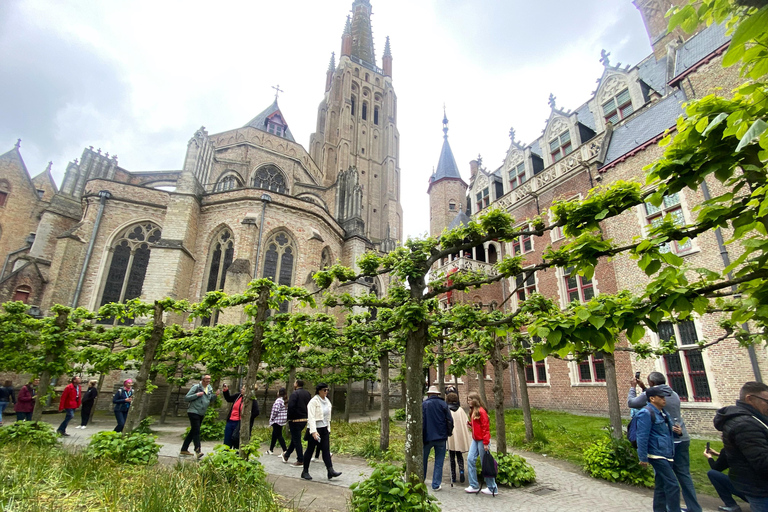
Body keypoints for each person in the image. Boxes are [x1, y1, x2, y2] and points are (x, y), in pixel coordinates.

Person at [628, 371, 701, 512]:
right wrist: (645, 388)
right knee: (683, 474)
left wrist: (633, 388)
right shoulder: (673, 394)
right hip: (681, 438)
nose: (663, 399)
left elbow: (632, 403)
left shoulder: (655, 399)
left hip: (664, 444)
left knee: (667, 480)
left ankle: (669, 508)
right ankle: (694, 508)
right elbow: (651, 396)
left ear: (652, 384)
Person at [714, 381, 768, 512]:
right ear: (750, 399)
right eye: (766, 401)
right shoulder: (745, 424)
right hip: (761, 490)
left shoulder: (754, 419)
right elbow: (762, 462)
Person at [636, 386, 680, 512]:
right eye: (661, 397)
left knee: (661, 486)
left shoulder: (663, 412)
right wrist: (643, 457)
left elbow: (665, 432)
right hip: (656, 454)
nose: (664, 399)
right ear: (652, 398)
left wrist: (678, 432)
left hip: (666, 452)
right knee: (673, 485)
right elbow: (642, 436)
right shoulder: (645, 413)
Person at [301, 383, 341, 481]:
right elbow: (311, 417)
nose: (326, 392)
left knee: (326, 450)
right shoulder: (313, 402)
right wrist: (313, 432)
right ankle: (305, 471)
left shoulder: (327, 401)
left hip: (324, 428)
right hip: (315, 429)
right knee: (310, 450)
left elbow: (328, 417)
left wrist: (328, 428)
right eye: (324, 390)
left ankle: (330, 470)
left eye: (327, 390)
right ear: (319, 391)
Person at [465, 391, 498, 496]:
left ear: (475, 400)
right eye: (468, 400)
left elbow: (485, 428)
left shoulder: (481, 412)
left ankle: (492, 487)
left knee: (486, 463)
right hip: (475, 439)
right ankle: (474, 485)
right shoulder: (473, 411)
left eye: (470, 400)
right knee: (470, 459)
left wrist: (486, 443)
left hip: (482, 441)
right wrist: (470, 425)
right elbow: (477, 425)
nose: (468, 402)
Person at [422, 385, 453, 491]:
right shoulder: (443, 404)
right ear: (437, 394)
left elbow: (422, 421)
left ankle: (421, 479)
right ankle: (436, 484)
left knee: (423, 459)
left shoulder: (424, 404)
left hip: (427, 437)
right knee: (439, 461)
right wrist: (448, 433)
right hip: (441, 437)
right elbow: (449, 420)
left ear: (429, 394)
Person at [180, 374, 218, 458]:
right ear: (203, 380)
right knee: (196, 430)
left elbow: (210, 399)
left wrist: (215, 396)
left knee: (193, 430)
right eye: (207, 379)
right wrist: (196, 395)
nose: (208, 380)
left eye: (209, 379)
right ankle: (198, 451)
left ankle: (184, 449)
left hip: (201, 412)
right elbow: (186, 398)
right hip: (193, 411)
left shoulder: (209, 388)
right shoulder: (196, 387)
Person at [704, 447, 748, 512]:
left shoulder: (729, 449)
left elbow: (716, 468)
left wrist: (709, 457)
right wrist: (718, 454)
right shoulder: (756, 449)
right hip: (762, 492)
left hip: (746, 492)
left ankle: (731, 505)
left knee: (712, 474)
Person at [281, 379, 311, 467]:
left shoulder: (295, 394)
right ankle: (287, 455)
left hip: (295, 419)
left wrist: (289, 417)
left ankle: (300, 459)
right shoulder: (307, 394)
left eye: (294, 382)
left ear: (296, 384)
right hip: (304, 419)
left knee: (297, 440)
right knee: (295, 438)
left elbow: (291, 406)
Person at [222, 382, 260, 449]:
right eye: (242, 388)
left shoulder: (251, 400)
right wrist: (226, 391)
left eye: (243, 389)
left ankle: (236, 456)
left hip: (239, 422)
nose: (241, 390)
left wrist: (246, 418)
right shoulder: (238, 396)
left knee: (236, 440)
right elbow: (229, 399)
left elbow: (256, 412)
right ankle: (226, 456)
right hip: (231, 421)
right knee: (227, 441)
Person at [446, 392, 471, 486]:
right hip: (459, 436)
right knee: (459, 455)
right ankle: (461, 470)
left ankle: (453, 475)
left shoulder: (447, 410)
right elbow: (466, 421)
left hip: (451, 436)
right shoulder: (460, 410)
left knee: (451, 456)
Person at [266, 387, 288, 455]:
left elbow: (275, 411)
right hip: (282, 420)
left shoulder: (278, 401)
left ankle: (285, 450)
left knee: (279, 435)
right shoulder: (285, 400)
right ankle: (271, 449)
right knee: (274, 435)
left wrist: (272, 418)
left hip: (277, 420)